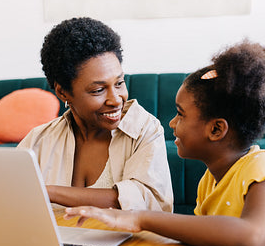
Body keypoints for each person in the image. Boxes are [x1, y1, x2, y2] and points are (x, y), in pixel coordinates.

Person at [64, 40, 265, 246]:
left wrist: (140, 217)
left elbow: (252, 239)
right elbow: (206, 242)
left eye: (181, 114)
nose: (172, 123)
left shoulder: (264, 167)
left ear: (216, 129)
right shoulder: (209, 181)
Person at [18, 17, 173, 212]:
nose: (116, 99)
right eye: (98, 90)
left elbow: (147, 200)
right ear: (63, 92)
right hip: (56, 242)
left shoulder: (144, 130)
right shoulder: (37, 141)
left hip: (128, 243)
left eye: (119, 83)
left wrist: (49, 192)